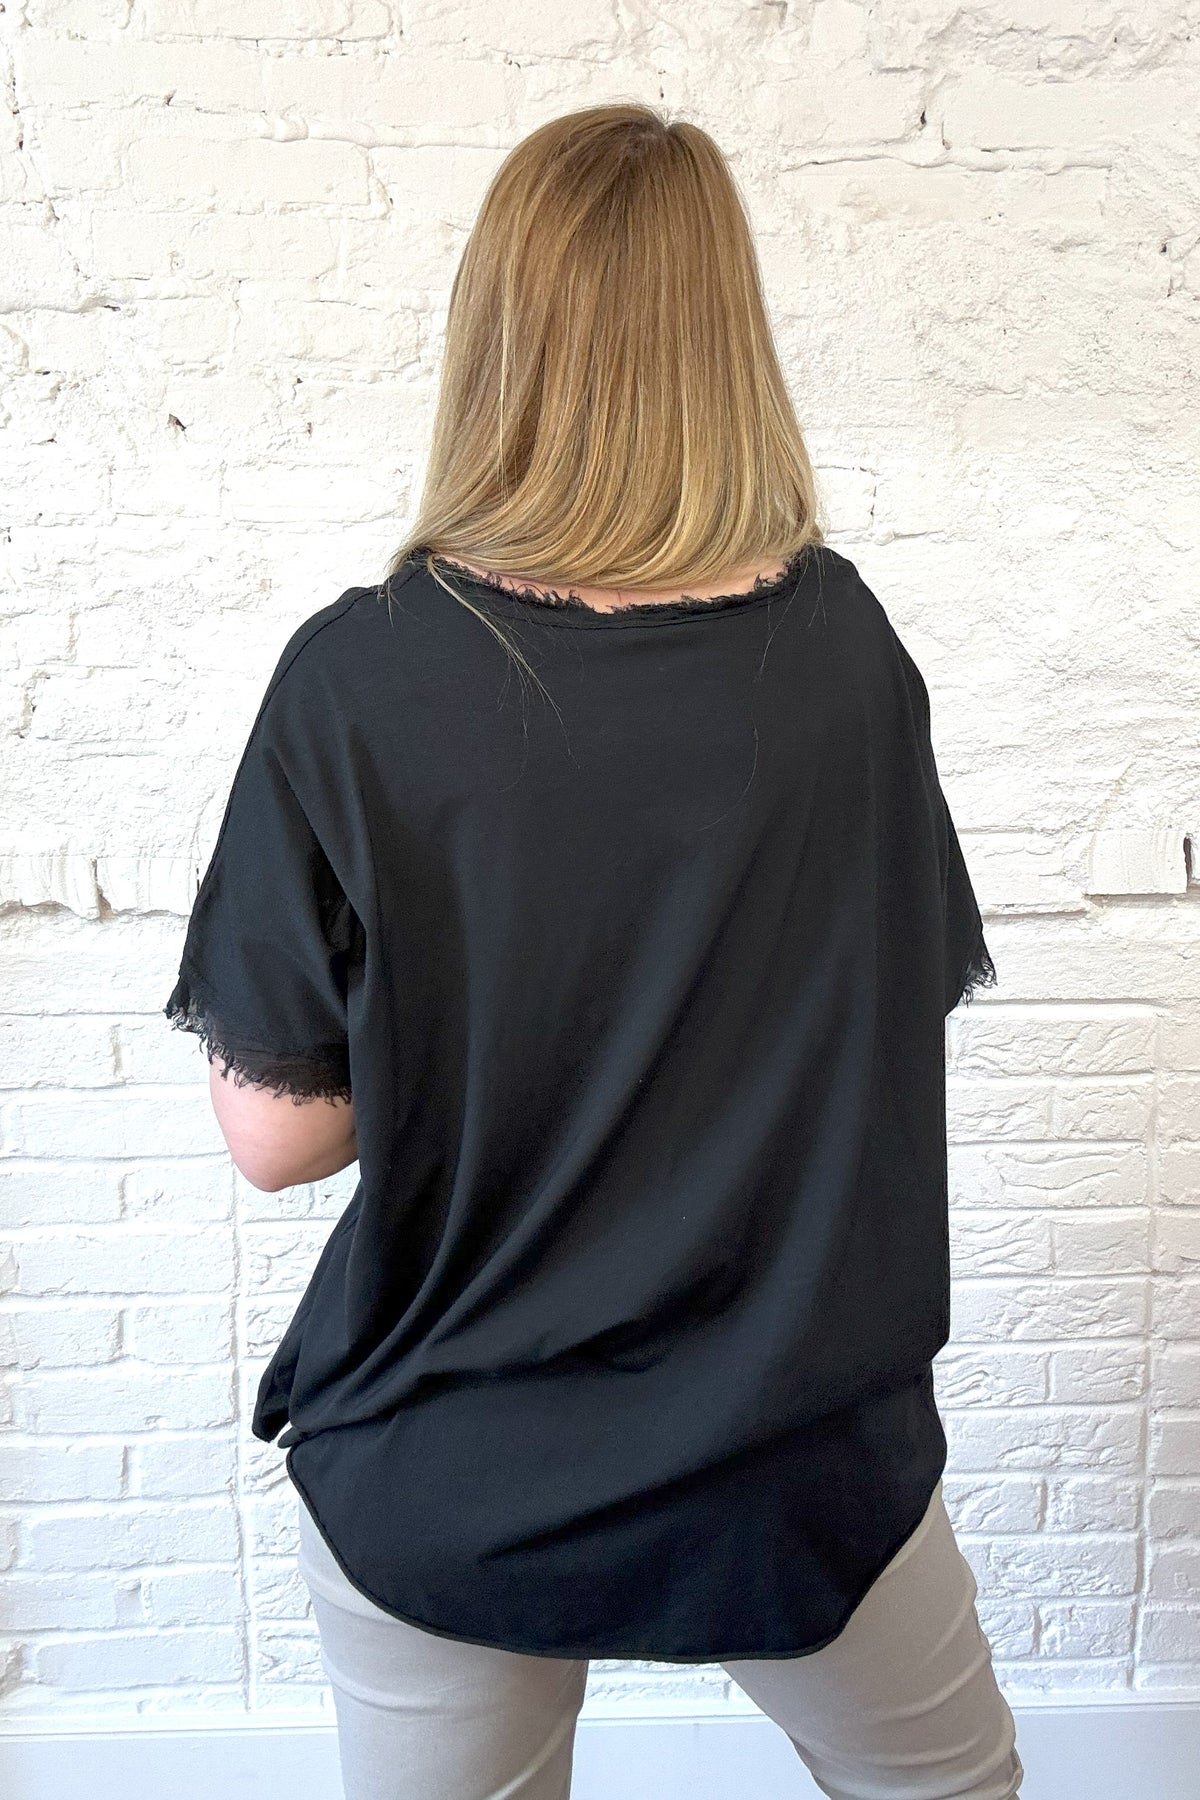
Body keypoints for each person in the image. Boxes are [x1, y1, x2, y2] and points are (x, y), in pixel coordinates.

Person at [164, 102, 1021, 1800]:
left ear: (495, 337)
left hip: (456, 1453)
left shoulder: (360, 680)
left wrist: (471, 1029)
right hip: (793, 1447)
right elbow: (878, 1004)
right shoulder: (849, 659)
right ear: (727, 338)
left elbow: (275, 1137)